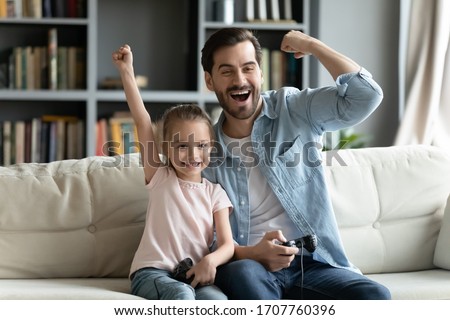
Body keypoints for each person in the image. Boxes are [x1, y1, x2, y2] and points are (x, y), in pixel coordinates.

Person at [201, 28, 392, 299]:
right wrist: (255, 253)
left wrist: (312, 45)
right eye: (227, 71)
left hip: (312, 264)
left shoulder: (294, 108)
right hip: (250, 267)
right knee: (243, 273)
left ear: (261, 73)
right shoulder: (205, 152)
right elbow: (207, 240)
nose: (240, 80)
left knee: (375, 296)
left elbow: (366, 96)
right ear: (210, 81)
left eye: (248, 68)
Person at [112, 44, 234, 300]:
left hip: (194, 274)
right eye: (181, 146)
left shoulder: (216, 193)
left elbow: (227, 245)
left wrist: (210, 261)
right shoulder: (159, 176)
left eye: (201, 146)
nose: (192, 155)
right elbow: (143, 121)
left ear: (211, 148)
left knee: (218, 301)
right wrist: (126, 71)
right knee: (181, 296)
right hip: (152, 273)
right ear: (165, 148)